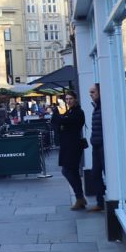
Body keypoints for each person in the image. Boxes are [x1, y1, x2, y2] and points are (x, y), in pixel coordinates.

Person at [52, 90, 87, 210]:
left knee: (67, 171)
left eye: (70, 98)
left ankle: (79, 197)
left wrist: (61, 120)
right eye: (66, 99)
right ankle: (80, 198)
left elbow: (64, 121)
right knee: (72, 172)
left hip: (73, 146)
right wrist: (61, 122)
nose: (68, 101)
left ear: (75, 99)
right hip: (66, 145)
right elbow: (55, 123)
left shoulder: (78, 112)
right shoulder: (68, 111)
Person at [87, 84, 106, 212]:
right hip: (96, 145)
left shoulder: (103, 107)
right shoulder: (96, 107)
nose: (91, 94)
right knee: (95, 174)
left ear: (100, 92)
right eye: (90, 93)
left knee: (105, 172)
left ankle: (105, 200)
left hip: (103, 146)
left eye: (93, 92)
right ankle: (100, 202)